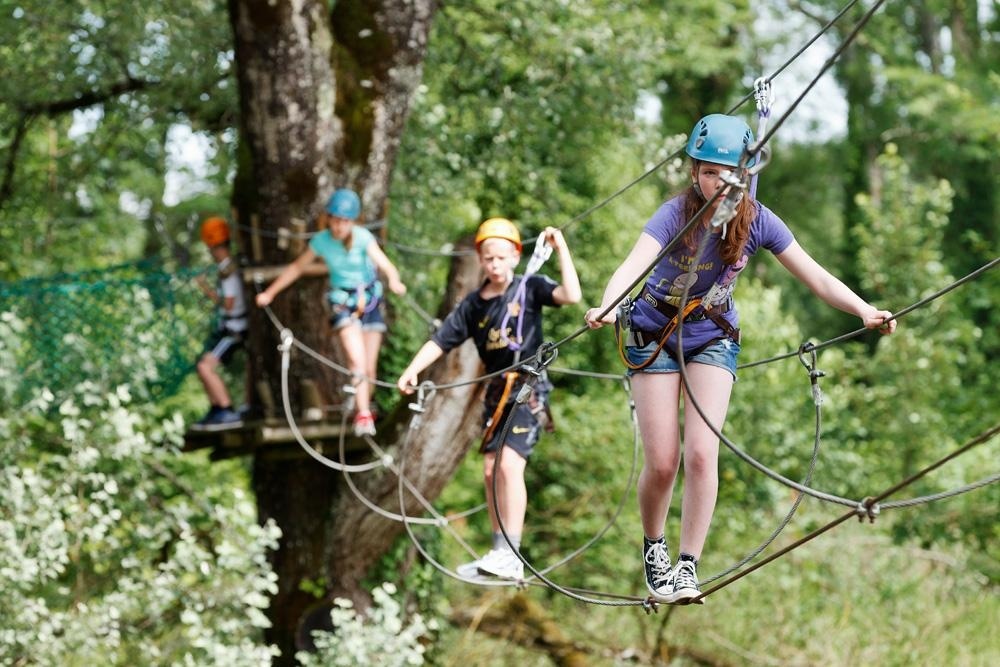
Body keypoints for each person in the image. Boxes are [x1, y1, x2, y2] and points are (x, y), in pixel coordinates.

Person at [584, 113, 897, 604]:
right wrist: (606, 302)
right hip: (653, 333)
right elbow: (634, 262)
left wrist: (863, 309)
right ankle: (654, 547)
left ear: (746, 175)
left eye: (728, 173)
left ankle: (689, 566)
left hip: (712, 335)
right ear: (694, 173)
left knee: (703, 453)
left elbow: (815, 276)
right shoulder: (675, 215)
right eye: (708, 171)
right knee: (664, 463)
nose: (718, 181)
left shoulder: (759, 221)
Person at [397, 218, 581, 580]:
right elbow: (441, 340)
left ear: (515, 256)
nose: (495, 265)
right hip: (497, 393)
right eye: (488, 258)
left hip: (528, 389)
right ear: (481, 261)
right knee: (489, 470)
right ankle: (499, 552)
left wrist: (561, 250)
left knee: (510, 467)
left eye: (501, 257)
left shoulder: (530, 287)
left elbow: (570, 296)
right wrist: (412, 369)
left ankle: (511, 554)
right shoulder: (473, 306)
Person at [256, 188, 406, 436]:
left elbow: (385, 265)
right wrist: (270, 293)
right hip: (342, 302)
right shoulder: (321, 241)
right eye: (335, 220)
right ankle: (363, 414)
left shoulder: (362, 237)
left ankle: (362, 404)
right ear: (328, 219)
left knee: (369, 369)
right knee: (355, 361)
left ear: (352, 221)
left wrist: (394, 281)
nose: (339, 226)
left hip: (369, 302)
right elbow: (296, 268)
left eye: (344, 221)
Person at [192, 216, 248, 430]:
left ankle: (225, 409)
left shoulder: (228, 272)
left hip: (235, 329)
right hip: (231, 327)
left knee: (205, 367)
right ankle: (216, 409)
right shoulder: (228, 267)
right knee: (202, 365)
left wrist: (205, 289)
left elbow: (229, 305)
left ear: (212, 245)